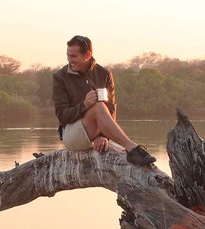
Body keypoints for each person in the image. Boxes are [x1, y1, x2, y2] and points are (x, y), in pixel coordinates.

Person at [51, 35, 157, 166]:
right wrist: (84, 105)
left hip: (96, 133)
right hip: (72, 134)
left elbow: (111, 109)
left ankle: (130, 149)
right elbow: (62, 116)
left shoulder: (104, 74)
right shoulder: (60, 77)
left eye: (74, 56)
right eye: (68, 56)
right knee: (98, 107)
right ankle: (132, 149)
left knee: (101, 106)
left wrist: (103, 136)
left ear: (88, 55)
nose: (69, 60)